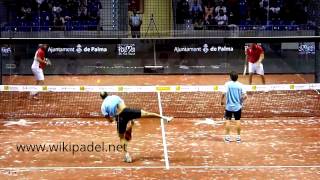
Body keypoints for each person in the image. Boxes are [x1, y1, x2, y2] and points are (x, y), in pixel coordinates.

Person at [100, 92, 173, 163]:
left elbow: (110, 120)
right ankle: (165, 118)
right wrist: (131, 118)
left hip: (119, 118)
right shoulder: (115, 97)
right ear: (107, 94)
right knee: (147, 114)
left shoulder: (103, 107)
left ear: (101, 98)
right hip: (127, 112)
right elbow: (124, 107)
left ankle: (127, 155)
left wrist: (114, 118)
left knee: (121, 137)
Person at [221, 71, 247, 143]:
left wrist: (221, 100)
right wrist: (240, 101)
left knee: (228, 120)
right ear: (237, 77)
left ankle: (227, 137)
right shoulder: (241, 85)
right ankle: (238, 138)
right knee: (238, 120)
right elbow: (245, 96)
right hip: (237, 107)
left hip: (228, 107)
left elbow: (223, 93)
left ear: (230, 77)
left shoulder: (227, 84)